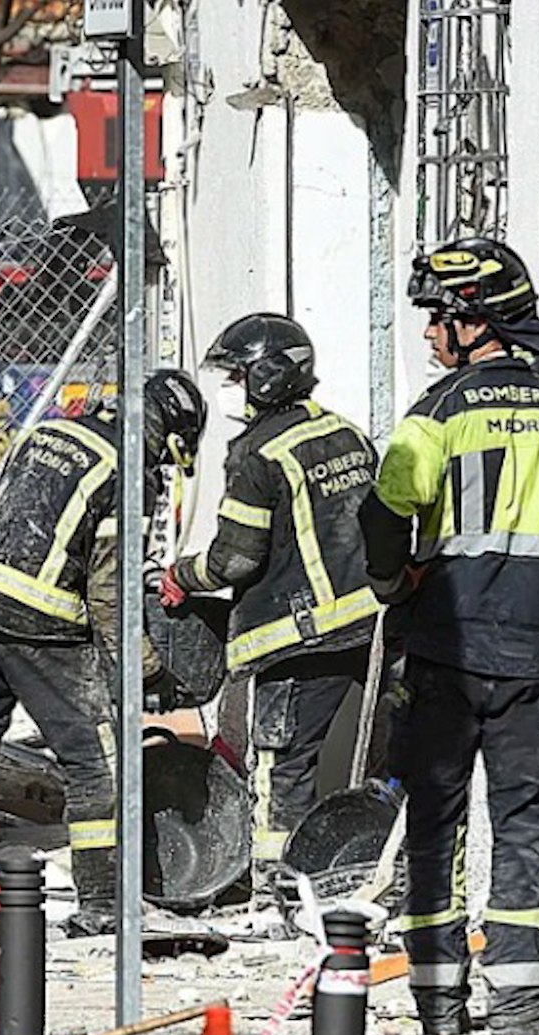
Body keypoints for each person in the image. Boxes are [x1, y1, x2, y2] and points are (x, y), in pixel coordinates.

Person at [360, 237, 539, 1035]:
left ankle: (439, 1005)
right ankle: (521, 1003)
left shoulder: (433, 416)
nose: (431, 335)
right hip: (532, 658)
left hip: (443, 653)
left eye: (440, 318)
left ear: (475, 325)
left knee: (436, 824)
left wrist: (394, 588)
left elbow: (383, 515)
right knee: (523, 822)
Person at [0, 370, 207, 936]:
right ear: (169, 436)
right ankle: (103, 903)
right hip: (40, 620)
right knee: (96, 761)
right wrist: (144, 667)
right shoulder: (129, 473)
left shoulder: (55, 430)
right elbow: (109, 590)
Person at [159, 313, 380, 873]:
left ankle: (277, 887)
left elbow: (236, 557)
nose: (234, 390)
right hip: (369, 626)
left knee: (282, 767)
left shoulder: (258, 454)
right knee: (373, 757)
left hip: (296, 637)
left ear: (268, 376)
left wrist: (182, 575)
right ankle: (366, 871)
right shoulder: (346, 433)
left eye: (239, 376)